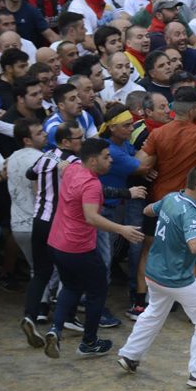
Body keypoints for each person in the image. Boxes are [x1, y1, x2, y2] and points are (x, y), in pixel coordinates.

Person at [114, 165, 196, 388]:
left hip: (154, 272)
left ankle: (130, 355)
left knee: (153, 313)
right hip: (175, 277)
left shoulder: (172, 198)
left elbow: (149, 210)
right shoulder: (190, 212)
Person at [44, 136, 146, 359]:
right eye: (106, 157)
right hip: (78, 247)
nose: (111, 160)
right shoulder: (91, 184)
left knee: (71, 287)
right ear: (92, 160)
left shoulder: (72, 169)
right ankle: (89, 341)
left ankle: (55, 329)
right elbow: (91, 217)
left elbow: (62, 166)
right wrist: (122, 229)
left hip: (57, 243)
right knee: (98, 289)